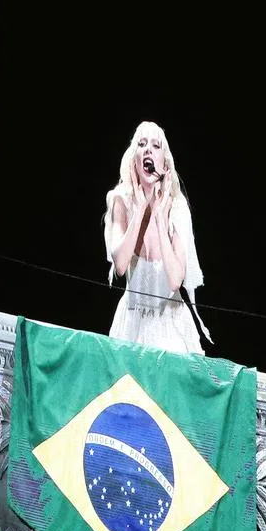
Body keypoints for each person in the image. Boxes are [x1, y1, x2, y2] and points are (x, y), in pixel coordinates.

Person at [102, 121, 210, 355]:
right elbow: (120, 265)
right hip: (131, 323)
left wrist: (161, 219)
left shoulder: (178, 209)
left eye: (155, 145)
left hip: (169, 326)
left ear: (164, 163)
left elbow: (174, 280)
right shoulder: (121, 201)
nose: (148, 149)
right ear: (135, 159)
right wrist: (140, 209)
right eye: (142, 144)